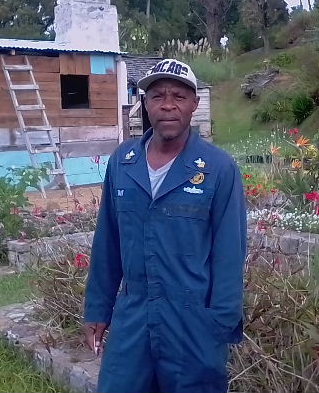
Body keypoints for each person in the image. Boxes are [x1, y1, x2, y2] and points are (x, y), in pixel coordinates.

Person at [83, 58, 247, 393]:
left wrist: (219, 325)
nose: (168, 105)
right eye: (158, 96)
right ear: (145, 104)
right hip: (133, 316)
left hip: (192, 322)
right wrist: (98, 308)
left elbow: (229, 253)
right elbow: (107, 243)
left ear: (194, 104)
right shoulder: (123, 162)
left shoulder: (218, 168)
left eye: (179, 96)